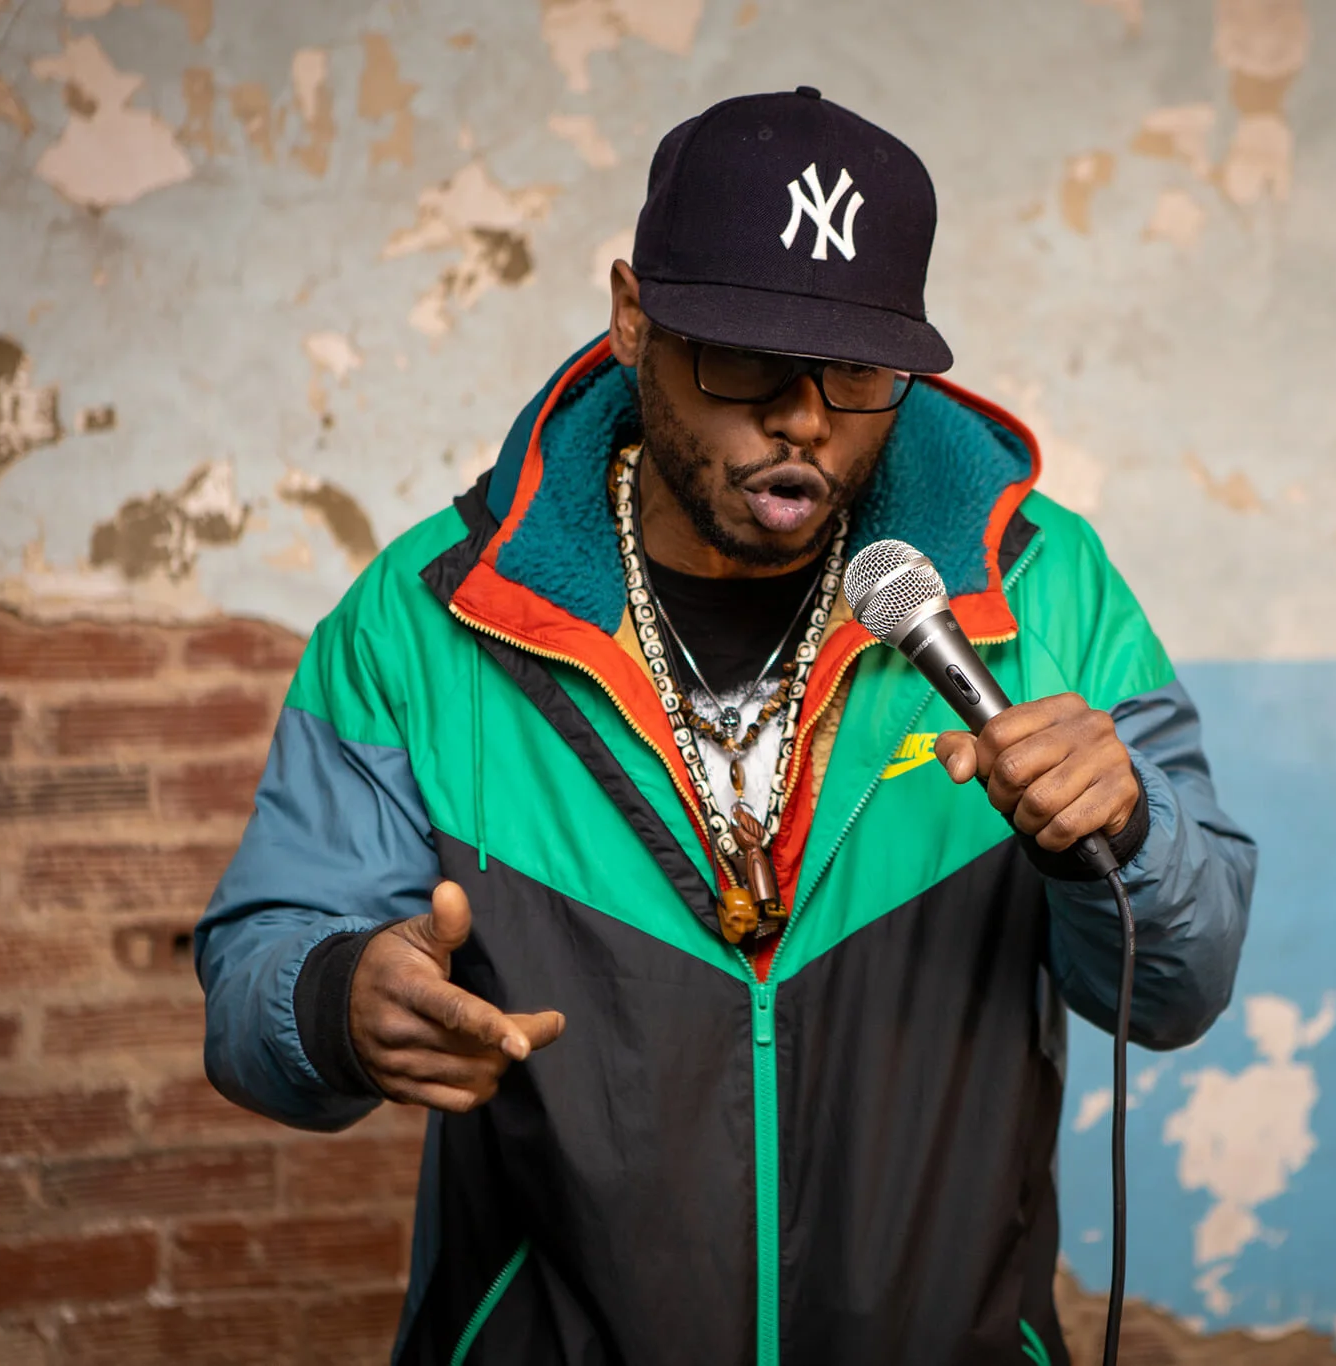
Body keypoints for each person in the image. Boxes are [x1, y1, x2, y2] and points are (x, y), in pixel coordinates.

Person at [196, 86, 1256, 1366]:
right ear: (632, 317)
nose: (803, 416)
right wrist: (334, 1000)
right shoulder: (426, 619)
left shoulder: (1045, 592)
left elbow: (1179, 987)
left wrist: (1127, 835)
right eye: (747, 357)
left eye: (856, 372)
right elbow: (255, 974)